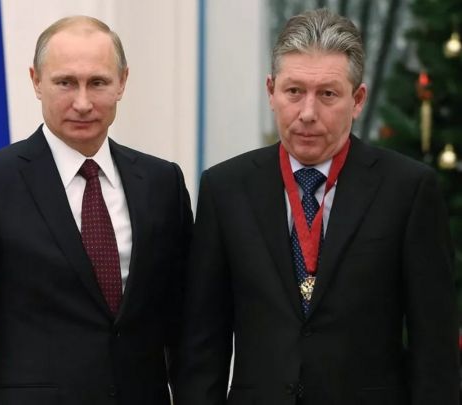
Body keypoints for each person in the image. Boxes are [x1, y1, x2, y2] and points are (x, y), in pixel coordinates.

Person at [174, 8, 459, 405]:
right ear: (271, 91)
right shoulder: (225, 189)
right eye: (294, 91)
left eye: (327, 94)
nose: (308, 113)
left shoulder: (407, 190)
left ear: (357, 100)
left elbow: (435, 347)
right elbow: (202, 344)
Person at [0, 16, 192, 405]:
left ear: (122, 82)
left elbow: (184, 322)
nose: (82, 103)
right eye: (65, 82)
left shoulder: (162, 182)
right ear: (36, 81)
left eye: (97, 82)